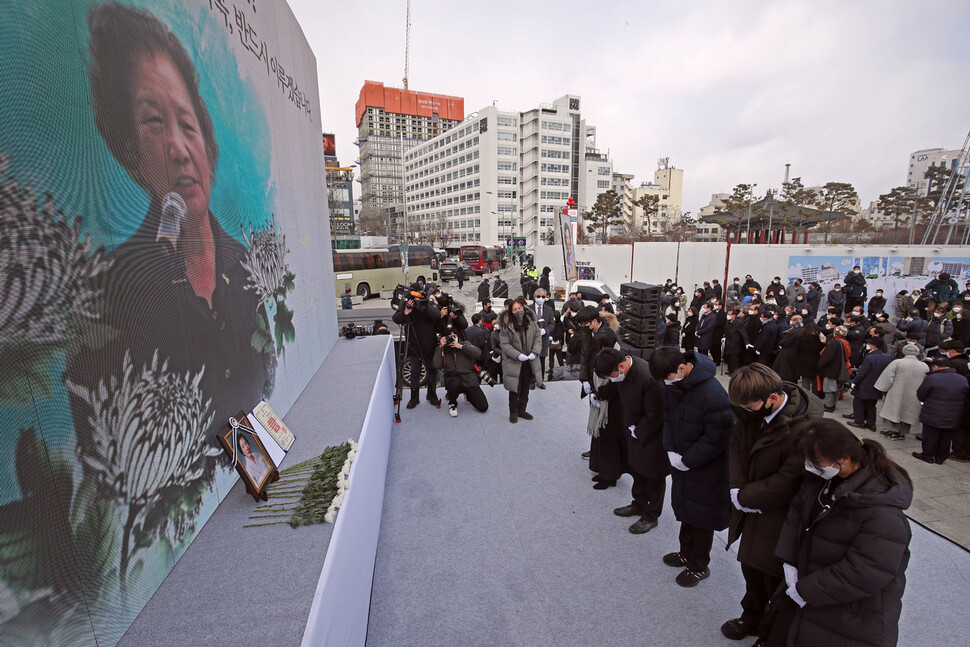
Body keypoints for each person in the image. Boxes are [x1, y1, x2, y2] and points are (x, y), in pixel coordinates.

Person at [69, 3, 274, 470]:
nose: (179, 150)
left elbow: (265, 384)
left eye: (187, 123)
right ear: (130, 150)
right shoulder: (111, 295)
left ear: (206, 141)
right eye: (153, 122)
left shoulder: (246, 267)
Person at [769, 419, 912, 647]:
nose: (809, 466)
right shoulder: (822, 480)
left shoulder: (883, 515)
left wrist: (806, 590)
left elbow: (865, 572)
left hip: (852, 615)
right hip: (811, 592)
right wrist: (789, 561)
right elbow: (798, 510)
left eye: (815, 461)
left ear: (844, 459)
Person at [720, 364, 823, 643]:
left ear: (773, 398)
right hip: (751, 507)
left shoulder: (804, 428)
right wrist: (736, 488)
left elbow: (789, 479)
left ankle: (770, 632)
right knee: (751, 568)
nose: (745, 410)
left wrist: (745, 497)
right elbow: (737, 448)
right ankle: (751, 617)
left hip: (780, 515)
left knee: (775, 577)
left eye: (750, 404)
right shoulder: (751, 413)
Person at [648, 348, 733, 588]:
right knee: (686, 511)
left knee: (702, 517)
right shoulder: (675, 385)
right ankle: (685, 552)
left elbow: (717, 437)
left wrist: (689, 460)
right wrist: (671, 449)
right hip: (682, 459)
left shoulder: (713, 393)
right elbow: (668, 416)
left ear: (682, 368)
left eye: (669, 377)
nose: (667, 383)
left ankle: (698, 565)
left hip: (705, 466)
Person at [594, 348, 668, 536]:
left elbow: (656, 414)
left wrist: (639, 431)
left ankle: (651, 515)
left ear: (621, 366)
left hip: (653, 434)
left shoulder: (647, 377)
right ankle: (638, 503)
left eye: (612, 375)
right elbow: (615, 387)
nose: (612, 378)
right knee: (637, 468)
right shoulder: (622, 372)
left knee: (653, 474)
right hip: (634, 429)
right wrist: (599, 393)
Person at [576, 307, 623, 489]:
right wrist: (585, 380)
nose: (584, 327)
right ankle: (598, 465)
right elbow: (585, 357)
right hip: (595, 384)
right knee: (598, 429)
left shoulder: (608, 337)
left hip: (606, 388)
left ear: (595, 321)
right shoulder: (590, 335)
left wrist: (600, 393)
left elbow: (612, 372)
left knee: (606, 431)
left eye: (586, 323)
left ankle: (609, 474)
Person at [392, 284, 444, 409]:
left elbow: (436, 316)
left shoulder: (427, 304)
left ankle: (432, 395)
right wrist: (406, 312)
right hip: (414, 347)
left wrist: (424, 305)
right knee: (414, 372)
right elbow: (396, 318)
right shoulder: (407, 305)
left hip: (429, 345)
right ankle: (414, 398)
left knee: (432, 371)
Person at [913, 355, 969, 464]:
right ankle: (941, 457)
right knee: (946, 436)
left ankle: (928, 454)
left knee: (930, 434)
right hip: (954, 413)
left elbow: (921, 394)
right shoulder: (962, 379)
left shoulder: (932, 378)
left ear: (936, 366)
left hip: (933, 411)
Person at [498, 297, 543, 423]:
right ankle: (513, 411)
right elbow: (505, 345)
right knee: (514, 388)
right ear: (511, 311)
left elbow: (537, 338)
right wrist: (517, 355)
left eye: (520, 308)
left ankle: (522, 409)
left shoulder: (531, 322)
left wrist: (535, 352)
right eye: (515, 309)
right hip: (514, 361)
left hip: (529, 360)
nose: (519, 311)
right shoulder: (506, 325)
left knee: (525, 387)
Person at [874, 343, 928, 441]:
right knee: (908, 412)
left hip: (896, 391)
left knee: (894, 410)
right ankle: (902, 432)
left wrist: (883, 389)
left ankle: (892, 431)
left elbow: (888, 377)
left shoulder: (897, 362)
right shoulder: (924, 366)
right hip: (914, 394)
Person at [432, 330, 488, 417]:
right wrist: (440, 347)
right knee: (454, 382)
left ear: (458, 337)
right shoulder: (444, 349)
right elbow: (436, 365)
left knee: (483, 407)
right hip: (454, 380)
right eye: (449, 337)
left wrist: (460, 346)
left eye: (454, 336)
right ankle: (453, 403)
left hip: (469, 380)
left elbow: (478, 353)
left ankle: (468, 395)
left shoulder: (464, 344)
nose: (452, 339)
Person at [845, 336, 892, 431]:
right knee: (871, 406)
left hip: (865, 385)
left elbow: (862, 372)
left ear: (874, 346)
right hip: (877, 385)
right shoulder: (887, 358)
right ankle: (871, 424)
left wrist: (854, 382)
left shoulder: (870, 358)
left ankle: (859, 421)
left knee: (858, 403)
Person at [817, 325, 851, 412]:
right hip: (840, 369)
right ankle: (833, 404)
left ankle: (829, 405)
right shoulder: (845, 342)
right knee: (837, 388)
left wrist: (820, 364)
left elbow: (827, 357)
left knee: (829, 388)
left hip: (832, 369)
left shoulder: (834, 342)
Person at [532, 289, 556, 384]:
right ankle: (532, 381)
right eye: (539, 296)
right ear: (534, 297)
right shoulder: (529, 309)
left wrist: (545, 330)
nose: (541, 298)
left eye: (543, 297)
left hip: (543, 340)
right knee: (532, 362)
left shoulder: (549, 310)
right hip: (532, 341)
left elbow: (552, 324)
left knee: (541, 362)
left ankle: (540, 381)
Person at [772, 314, 803, 382]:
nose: (791, 321)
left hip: (788, 356)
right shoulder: (802, 330)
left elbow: (784, 342)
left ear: (795, 322)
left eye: (792, 320)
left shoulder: (793, 332)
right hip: (797, 356)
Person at [723, 308, 749, 375]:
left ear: (734, 315)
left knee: (734, 359)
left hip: (735, 343)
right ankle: (730, 370)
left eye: (729, 314)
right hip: (728, 342)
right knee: (729, 358)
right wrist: (724, 337)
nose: (728, 316)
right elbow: (726, 331)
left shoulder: (738, 323)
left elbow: (743, 333)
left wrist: (747, 343)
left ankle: (734, 372)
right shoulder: (728, 322)